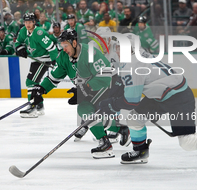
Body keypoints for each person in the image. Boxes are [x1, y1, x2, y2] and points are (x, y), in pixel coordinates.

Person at [99, 33, 197, 164]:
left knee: (187, 141)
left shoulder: (132, 64)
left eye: (120, 47)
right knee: (134, 119)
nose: (117, 50)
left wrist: (112, 105)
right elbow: (123, 83)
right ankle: (140, 151)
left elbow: (131, 101)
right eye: (117, 47)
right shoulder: (138, 55)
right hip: (160, 95)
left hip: (179, 97)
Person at [29, 28, 127, 158]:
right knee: (85, 111)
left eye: (66, 45)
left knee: (89, 113)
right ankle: (115, 134)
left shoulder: (89, 52)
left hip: (106, 87)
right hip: (89, 90)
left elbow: (106, 75)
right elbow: (54, 77)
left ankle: (112, 137)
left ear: (74, 43)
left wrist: (84, 88)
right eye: (62, 46)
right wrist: (41, 89)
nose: (63, 49)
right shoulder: (64, 56)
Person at [15, 13, 58, 118]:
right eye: (26, 22)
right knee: (33, 81)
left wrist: (54, 61)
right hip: (36, 59)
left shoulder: (39, 33)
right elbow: (18, 42)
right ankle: (39, 105)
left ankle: (32, 106)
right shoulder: (23, 31)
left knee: (31, 81)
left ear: (34, 22)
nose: (28, 24)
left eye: (30, 22)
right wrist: (19, 49)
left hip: (44, 59)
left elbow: (52, 48)